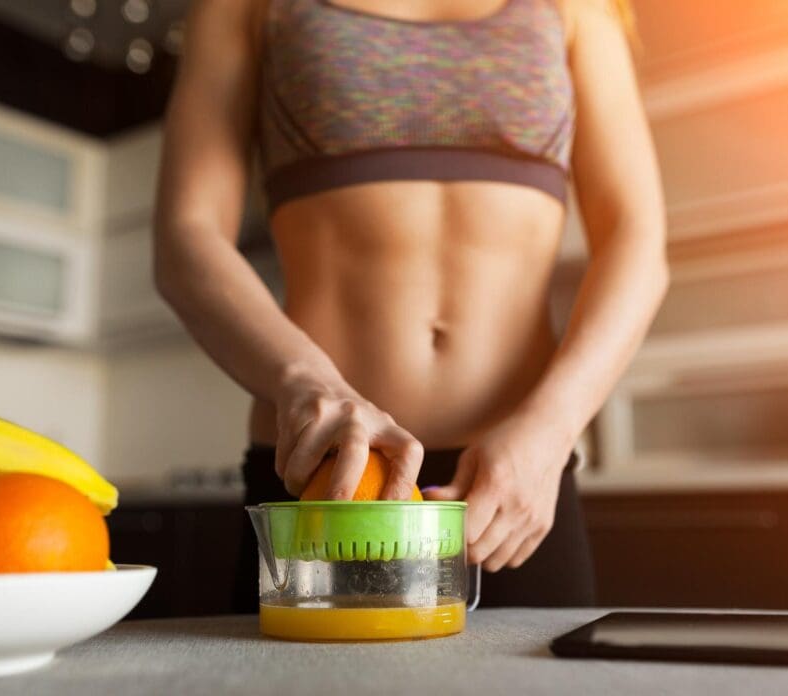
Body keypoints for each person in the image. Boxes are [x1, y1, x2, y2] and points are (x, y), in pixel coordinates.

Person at [154, 0, 666, 609]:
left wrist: (550, 432)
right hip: (325, 473)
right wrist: (305, 380)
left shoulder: (579, 8)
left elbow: (637, 243)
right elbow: (186, 235)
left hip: (520, 484)